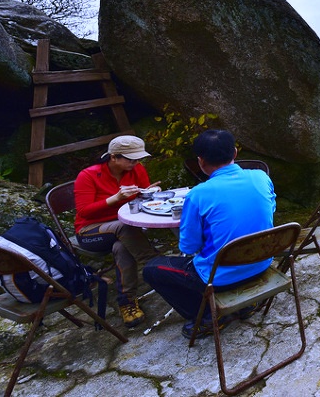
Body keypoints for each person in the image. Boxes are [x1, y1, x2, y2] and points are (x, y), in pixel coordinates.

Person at [143, 129, 276, 338]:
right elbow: (270, 209)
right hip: (262, 263)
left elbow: (189, 247)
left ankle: (207, 316)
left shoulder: (198, 194)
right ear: (235, 152)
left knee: (152, 269)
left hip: (221, 278)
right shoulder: (260, 177)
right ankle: (247, 304)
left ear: (201, 161)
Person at [74, 135, 160, 327]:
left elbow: (142, 197)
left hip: (123, 228)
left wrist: (150, 193)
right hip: (90, 231)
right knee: (125, 228)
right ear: (113, 157)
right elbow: (83, 211)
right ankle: (156, 264)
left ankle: (126, 302)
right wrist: (116, 198)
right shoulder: (88, 175)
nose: (136, 163)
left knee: (121, 247)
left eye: (138, 158)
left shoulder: (136, 169)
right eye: (131, 159)